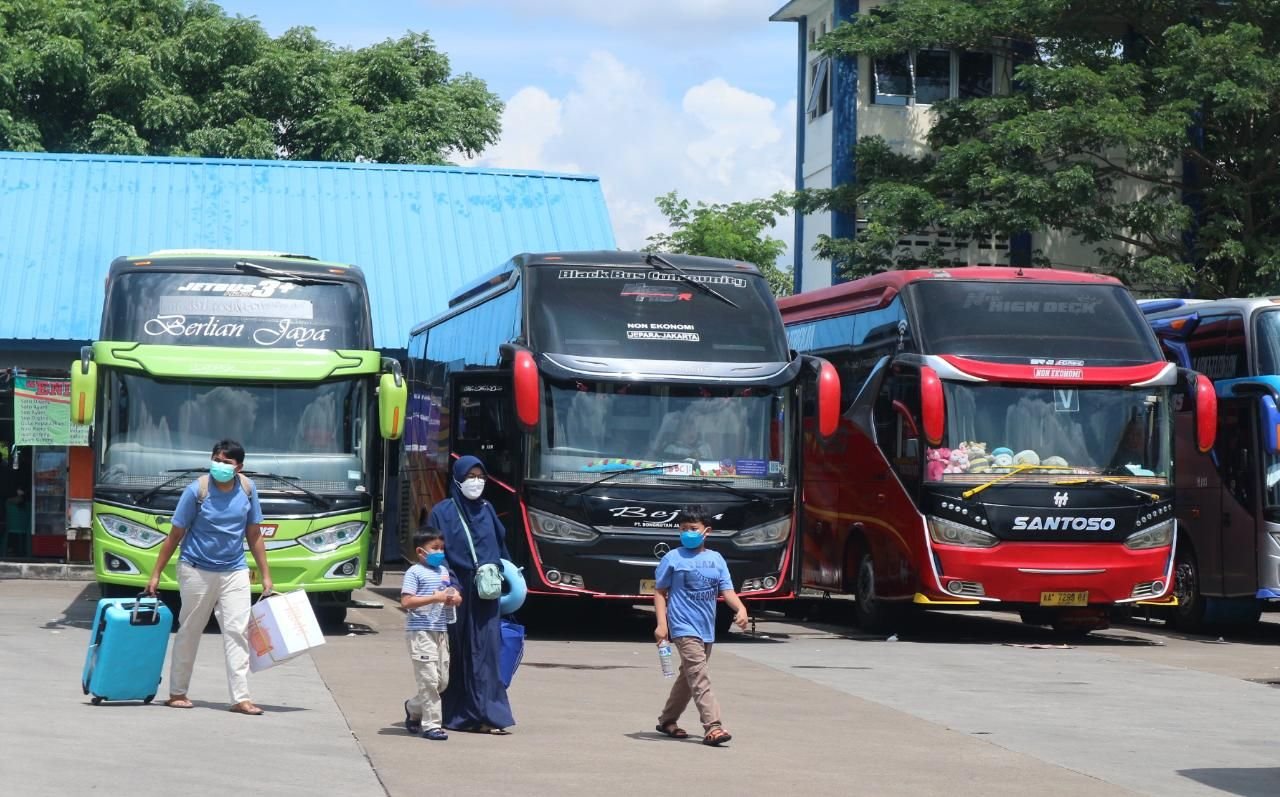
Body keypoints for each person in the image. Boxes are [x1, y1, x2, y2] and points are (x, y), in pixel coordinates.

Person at [145, 439, 272, 716]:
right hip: (196, 570)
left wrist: (266, 576)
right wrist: (155, 574)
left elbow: (254, 534)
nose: (220, 465)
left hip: (234, 570)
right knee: (190, 629)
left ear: (239, 466)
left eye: (227, 462)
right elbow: (175, 534)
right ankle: (178, 692)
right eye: (217, 459)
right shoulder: (197, 490)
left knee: (238, 632)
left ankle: (241, 698)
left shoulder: (248, 490)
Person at [427, 455, 515, 733]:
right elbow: (435, 552)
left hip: (486, 595)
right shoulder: (443, 512)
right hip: (457, 594)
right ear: (457, 479)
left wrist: (507, 585)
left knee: (487, 654)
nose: (476, 482)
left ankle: (490, 714)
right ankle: (459, 715)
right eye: (470, 477)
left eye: (480, 477)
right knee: (458, 654)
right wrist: (447, 584)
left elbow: (500, 549)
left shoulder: (487, 509)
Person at [652, 505, 748, 747]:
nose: (688, 533)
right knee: (700, 676)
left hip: (706, 628)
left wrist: (741, 609)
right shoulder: (672, 558)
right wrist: (662, 625)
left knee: (689, 677)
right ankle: (713, 726)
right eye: (683, 529)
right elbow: (660, 592)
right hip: (683, 627)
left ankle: (667, 720)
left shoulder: (716, 559)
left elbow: (727, 591)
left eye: (693, 529)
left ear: (707, 531)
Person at [401, 527, 462, 741]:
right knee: (428, 680)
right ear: (420, 552)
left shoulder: (443, 572)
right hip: (420, 632)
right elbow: (407, 601)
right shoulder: (414, 572)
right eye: (434, 548)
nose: (440, 553)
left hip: (441, 631)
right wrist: (434, 598)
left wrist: (453, 598)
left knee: (441, 681)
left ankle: (413, 707)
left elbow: (453, 594)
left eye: (441, 548)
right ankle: (432, 725)